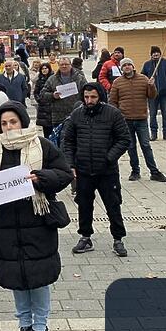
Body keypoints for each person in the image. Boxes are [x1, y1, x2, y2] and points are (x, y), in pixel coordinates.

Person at [0, 100, 72, 331]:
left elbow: (64, 174)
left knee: (38, 280)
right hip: (4, 226)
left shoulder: (42, 145)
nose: (8, 127)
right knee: (17, 280)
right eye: (4, 123)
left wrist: (41, 179)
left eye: (13, 122)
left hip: (37, 223)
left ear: (22, 122)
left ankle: (40, 327)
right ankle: (24, 326)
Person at [62, 83, 130, 256]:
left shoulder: (113, 114)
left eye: (93, 97)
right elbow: (68, 141)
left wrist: (109, 157)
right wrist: (71, 164)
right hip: (84, 170)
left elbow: (124, 139)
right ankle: (85, 237)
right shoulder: (76, 114)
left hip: (107, 171)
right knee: (84, 205)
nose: (89, 100)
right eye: (86, 97)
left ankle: (118, 239)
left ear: (100, 96)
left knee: (113, 205)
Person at [109, 57, 166, 182]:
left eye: (129, 64)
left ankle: (154, 171)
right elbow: (112, 101)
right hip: (125, 120)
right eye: (124, 65)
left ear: (133, 66)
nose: (127, 67)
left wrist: (152, 86)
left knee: (146, 145)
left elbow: (152, 96)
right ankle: (135, 171)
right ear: (121, 68)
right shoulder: (117, 82)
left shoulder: (144, 79)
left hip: (141, 119)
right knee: (131, 147)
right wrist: (117, 114)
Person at [39, 58, 87, 138]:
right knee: (59, 142)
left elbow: (87, 91)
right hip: (58, 117)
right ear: (58, 66)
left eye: (66, 64)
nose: (64, 66)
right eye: (61, 65)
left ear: (70, 65)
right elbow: (42, 94)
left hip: (77, 115)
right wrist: (52, 95)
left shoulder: (80, 78)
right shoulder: (52, 79)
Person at [141, 47, 166, 141]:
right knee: (152, 114)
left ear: (160, 54)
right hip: (152, 94)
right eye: (154, 53)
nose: (155, 55)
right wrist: (147, 84)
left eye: (157, 53)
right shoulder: (147, 64)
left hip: (163, 93)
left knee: (165, 113)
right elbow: (143, 76)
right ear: (151, 55)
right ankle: (153, 133)